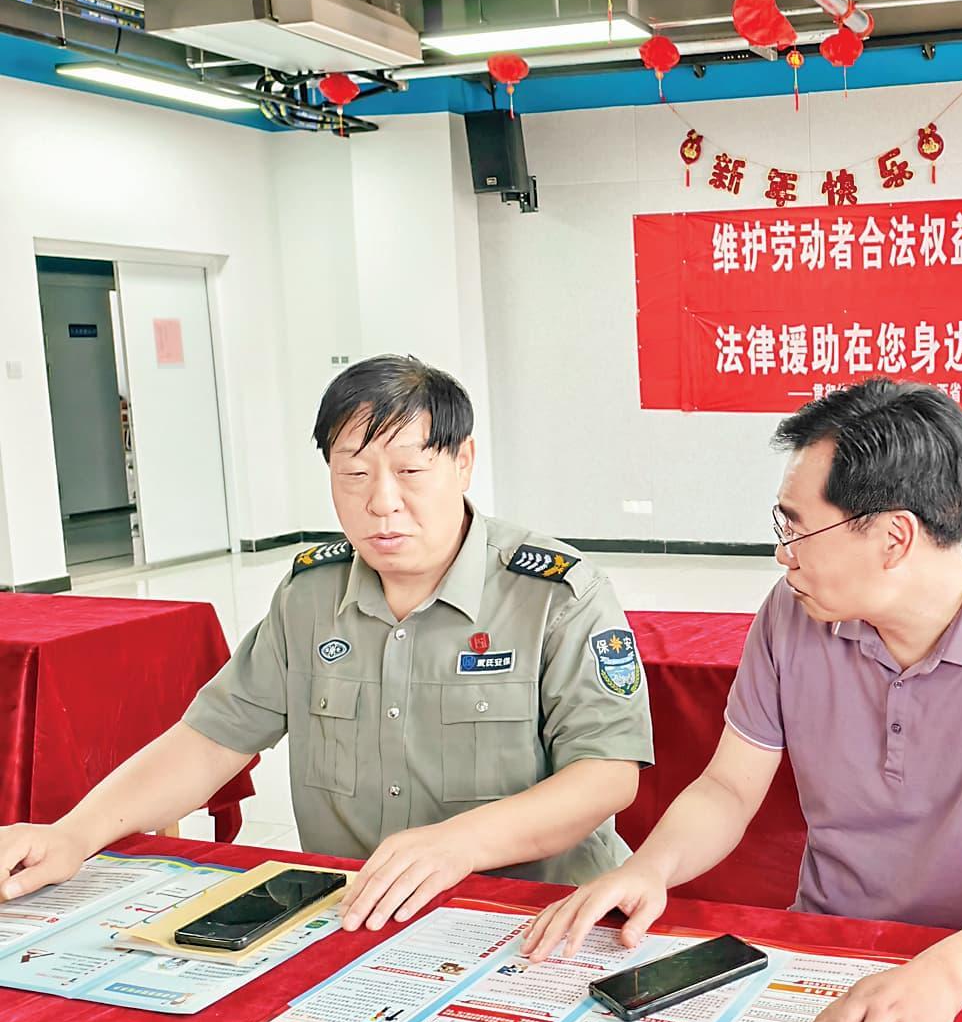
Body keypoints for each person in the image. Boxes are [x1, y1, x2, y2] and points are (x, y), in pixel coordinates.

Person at [521, 379, 962, 1022]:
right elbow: (728, 787)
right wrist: (651, 868)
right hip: (822, 952)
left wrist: (944, 975)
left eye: (798, 530)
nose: (783, 557)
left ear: (894, 538)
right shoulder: (793, 615)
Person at [0, 355, 653, 932]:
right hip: (355, 914)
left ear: (463, 462)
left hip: (532, 915)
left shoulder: (555, 594)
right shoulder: (310, 595)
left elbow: (606, 774)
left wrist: (460, 843)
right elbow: (212, 741)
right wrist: (74, 834)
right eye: (354, 473)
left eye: (410, 469)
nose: (382, 502)